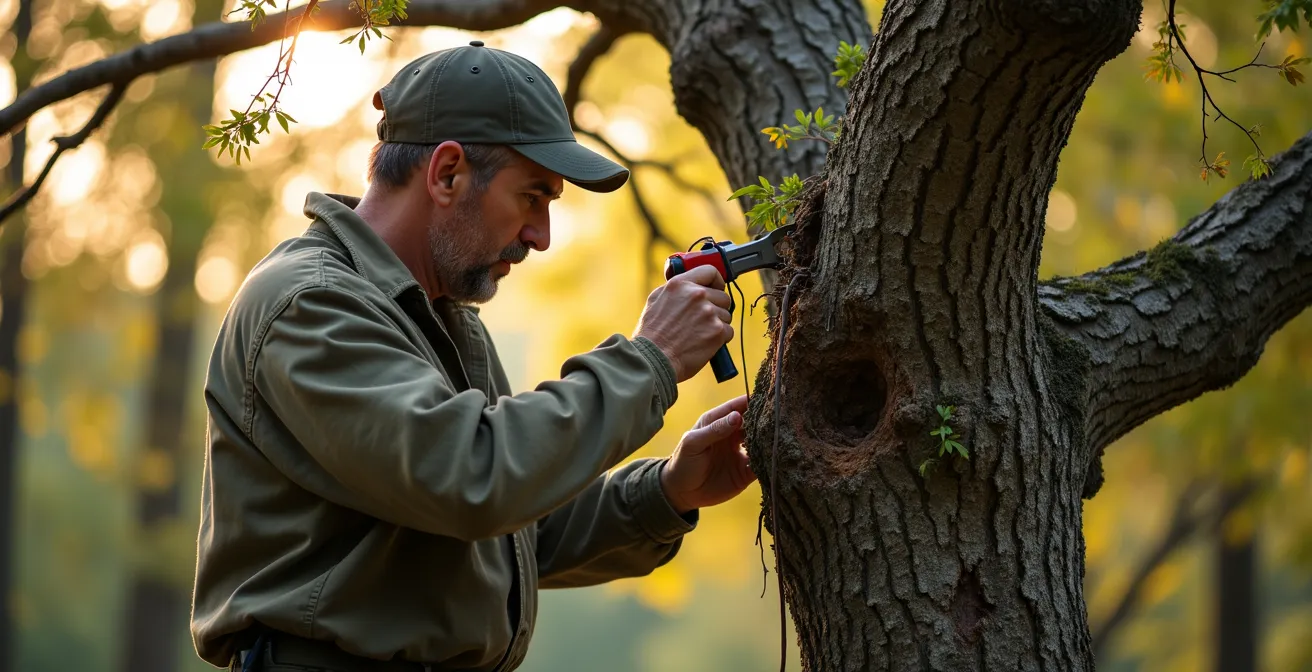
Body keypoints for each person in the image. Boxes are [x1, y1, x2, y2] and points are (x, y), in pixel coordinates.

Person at [190, 40, 757, 672]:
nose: (540, 237)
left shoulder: (437, 315)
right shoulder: (310, 304)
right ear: (447, 173)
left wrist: (666, 491)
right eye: (533, 198)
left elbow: (510, 535)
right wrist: (649, 360)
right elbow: (471, 478)